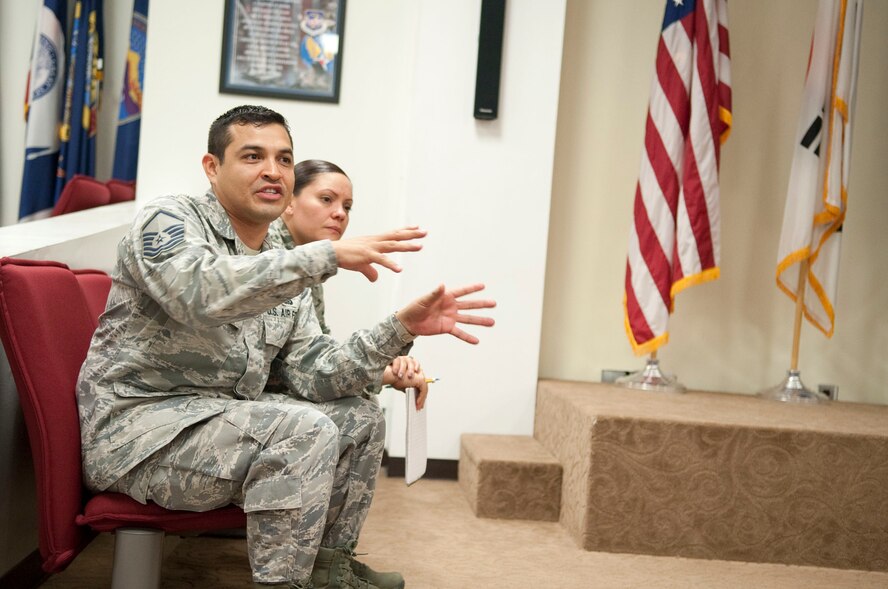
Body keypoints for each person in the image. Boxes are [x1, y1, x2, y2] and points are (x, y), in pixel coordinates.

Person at [75, 105, 495, 589]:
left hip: (216, 419)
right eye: (252, 156)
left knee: (358, 417)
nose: (272, 171)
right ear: (213, 167)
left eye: (283, 159)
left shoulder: (283, 263)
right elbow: (201, 293)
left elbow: (313, 371)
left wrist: (399, 327)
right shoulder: (169, 218)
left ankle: (327, 571)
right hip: (139, 433)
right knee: (301, 429)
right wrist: (325, 255)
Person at [277, 159, 430, 409]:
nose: (340, 213)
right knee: (358, 409)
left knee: (361, 404)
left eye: (347, 207)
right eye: (326, 199)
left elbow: (317, 358)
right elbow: (290, 371)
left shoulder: (311, 267)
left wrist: (389, 368)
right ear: (289, 202)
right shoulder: (271, 255)